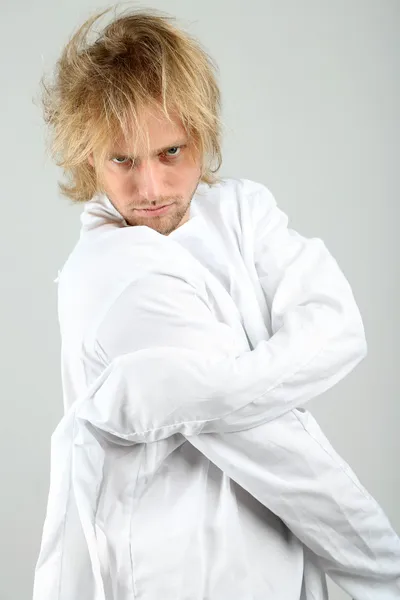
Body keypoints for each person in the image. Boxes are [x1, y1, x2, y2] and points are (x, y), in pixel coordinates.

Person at [33, 7, 400, 600]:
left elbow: (341, 327)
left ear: (202, 135)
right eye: (121, 160)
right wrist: (385, 574)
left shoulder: (241, 209)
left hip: (285, 561)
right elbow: (275, 446)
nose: (149, 188)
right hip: (178, 575)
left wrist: (235, 382)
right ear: (88, 158)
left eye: (170, 152)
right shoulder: (112, 273)